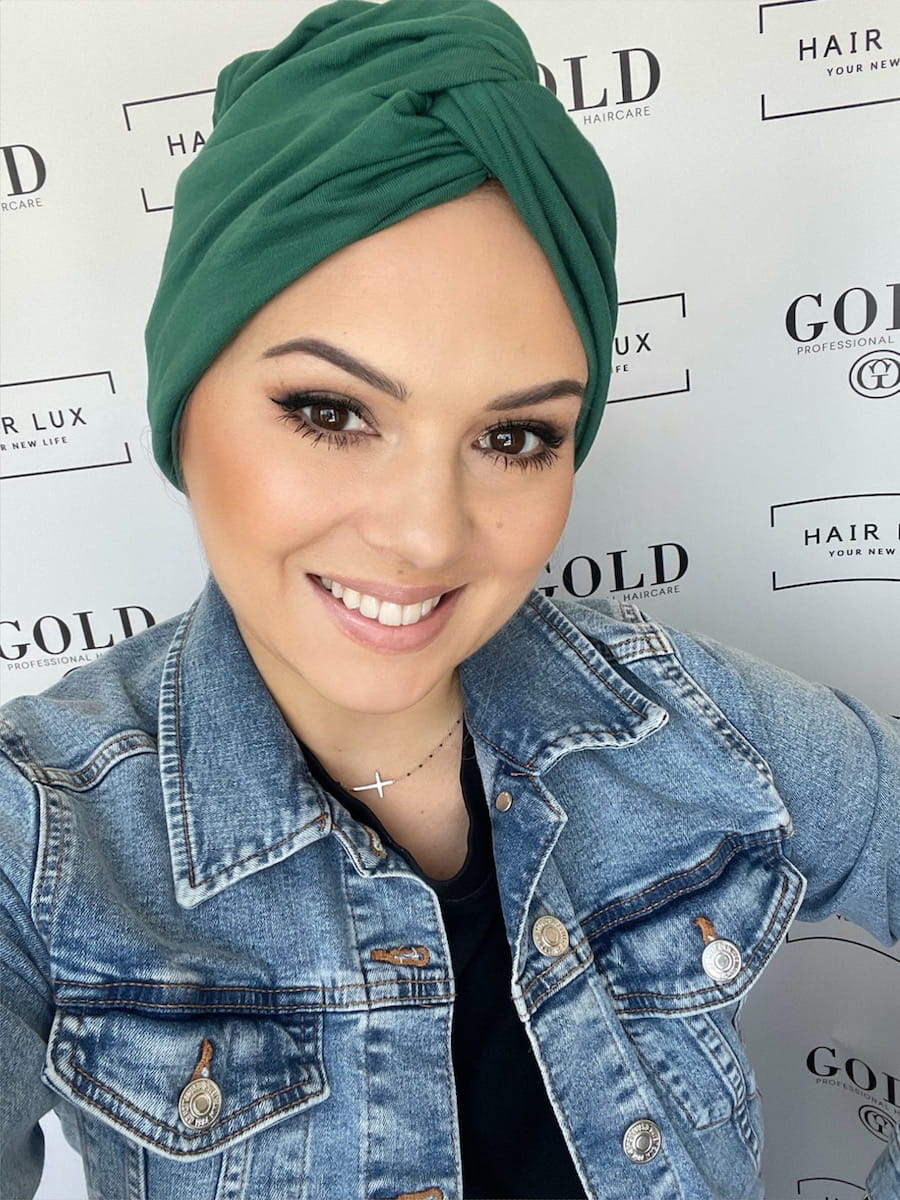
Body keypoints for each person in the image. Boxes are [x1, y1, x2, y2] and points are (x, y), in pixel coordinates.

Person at [0, 1, 897, 1198]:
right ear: (185, 406)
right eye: (331, 411)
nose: (428, 534)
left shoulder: (680, 722)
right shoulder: (43, 837)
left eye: (515, 437)